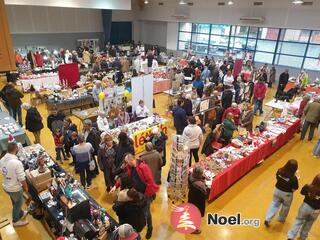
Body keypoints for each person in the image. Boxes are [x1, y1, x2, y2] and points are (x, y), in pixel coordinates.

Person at [111, 154, 159, 240]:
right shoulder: (129, 167)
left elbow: (150, 182)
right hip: (136, 194)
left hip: (145, 194)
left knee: (146, 213)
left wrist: (144, 196)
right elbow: (123, 178)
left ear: (130, 160)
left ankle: (150, 228)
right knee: (138, 212)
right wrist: (115, 186)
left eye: (126, 162)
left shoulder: (143, 167)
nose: (125, 164)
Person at [0, 142, 29, 227]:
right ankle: (15, 221)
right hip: (14, 188)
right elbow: (22, 178)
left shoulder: (2, 159)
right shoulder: (16, 162)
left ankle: (20, 213)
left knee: (14, 201)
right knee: (18, 203)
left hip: (6, 186)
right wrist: (26, 187)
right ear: (16, 149)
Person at [264, 160, 299, 227]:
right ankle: (281, 219)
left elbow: (277, 178)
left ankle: (267, 218)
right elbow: (294, 188)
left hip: (277, 190)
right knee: (285, 206)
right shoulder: (294, 178)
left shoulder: (280, 171)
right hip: (287, 194)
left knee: (274, 204)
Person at [287, 174, 320, 240]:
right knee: (308, 224)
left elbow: (302, 192)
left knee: (298, 221)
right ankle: (303, 237)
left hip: (305, 207)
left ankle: (291, 236)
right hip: (316, 211)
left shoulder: (308, 187)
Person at [188, 167, 208, 234]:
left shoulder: (191, 178)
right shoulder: (200, 185)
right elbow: (204, 195)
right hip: (198, 203)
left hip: (191, 200)